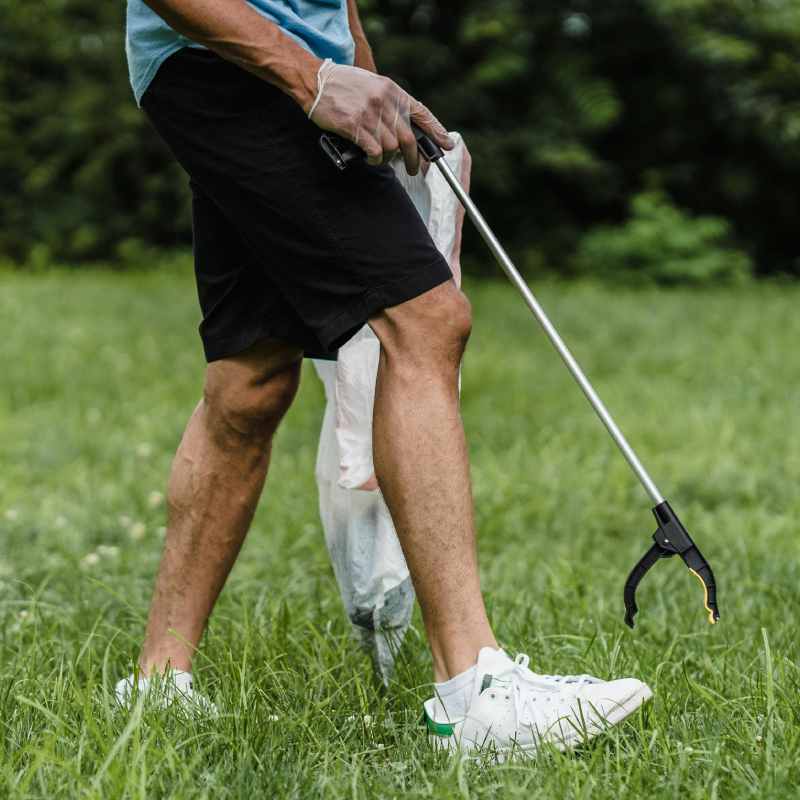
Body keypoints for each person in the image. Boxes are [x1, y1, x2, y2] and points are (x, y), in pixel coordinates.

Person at [116, 0, 652, 755]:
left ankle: (155, 685)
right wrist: (315, 80)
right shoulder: (284, 73)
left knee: (253, 376)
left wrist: (367, 82)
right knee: (428, 319)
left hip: (257, 69)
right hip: (236, 63)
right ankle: (473, 691)